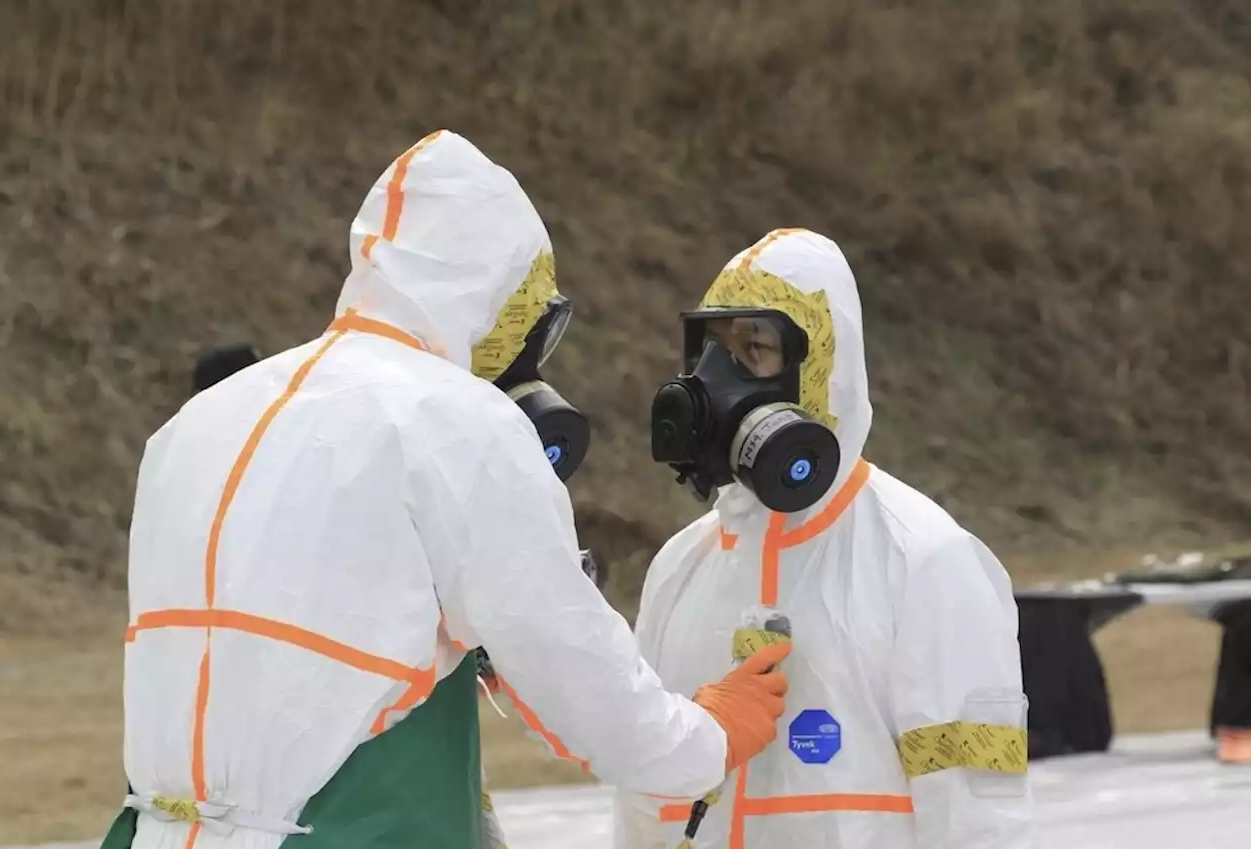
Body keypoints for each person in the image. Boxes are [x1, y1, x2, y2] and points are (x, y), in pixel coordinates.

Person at [99, 131, 791, 849]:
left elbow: (294, 644)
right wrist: (706, 735)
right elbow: (575, 679)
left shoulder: (195, 424)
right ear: (503, 302)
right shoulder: (462, 424)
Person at [617, 228, 1035, 849]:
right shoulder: (680, 567)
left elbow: (979, 818)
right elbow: (641, 803)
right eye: (711, 350)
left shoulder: (924, 560)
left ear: (821, 369)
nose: (718, 380)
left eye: (754, 347)